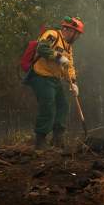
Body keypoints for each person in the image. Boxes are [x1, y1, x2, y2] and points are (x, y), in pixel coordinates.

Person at [25, 16, 84, 149]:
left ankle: (58, 139)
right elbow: (42, 48)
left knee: (63, 105)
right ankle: (40, 141)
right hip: (40, 76)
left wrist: (73, 83)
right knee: (48, 106)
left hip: (54, 79)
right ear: (69, 30)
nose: (77, 37)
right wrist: (59, 57)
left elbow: (69, 66)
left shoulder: (68, 47)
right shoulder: (52, 34)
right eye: (77, 34)